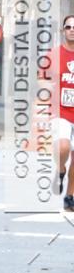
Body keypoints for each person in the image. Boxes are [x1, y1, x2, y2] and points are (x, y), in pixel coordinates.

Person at [46, 15, 74, 210]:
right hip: (61, 110)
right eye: (68, 27)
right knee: (63, 147)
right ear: (63, 30)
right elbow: (42, 79)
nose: (72, 29)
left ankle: (70, 196)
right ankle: (60, 168)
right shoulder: (54, 54)